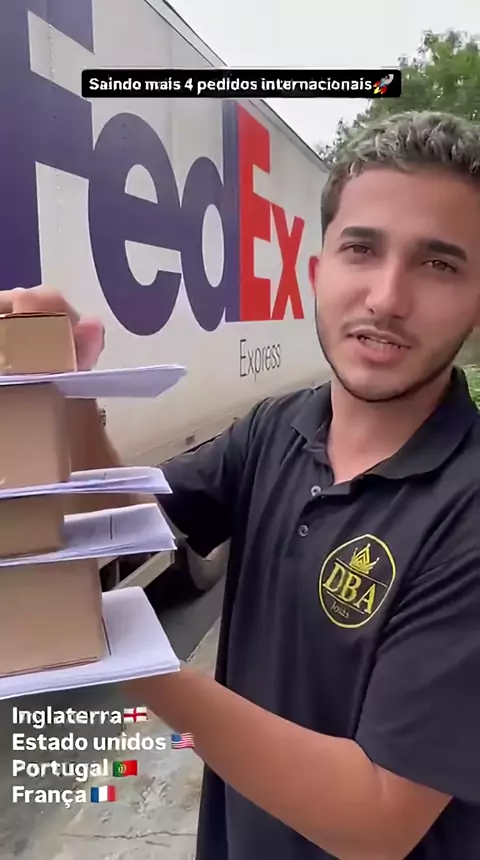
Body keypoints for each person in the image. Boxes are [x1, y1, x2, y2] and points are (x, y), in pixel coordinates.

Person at [4, 109, 480, 859]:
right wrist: (64, 391)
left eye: (439, 264)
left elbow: (378, 818)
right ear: (318, 273)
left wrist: (132, 661)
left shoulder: (468, 508)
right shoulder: (277, 427)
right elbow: (130, 517)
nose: (388, 297)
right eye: (362, 249)